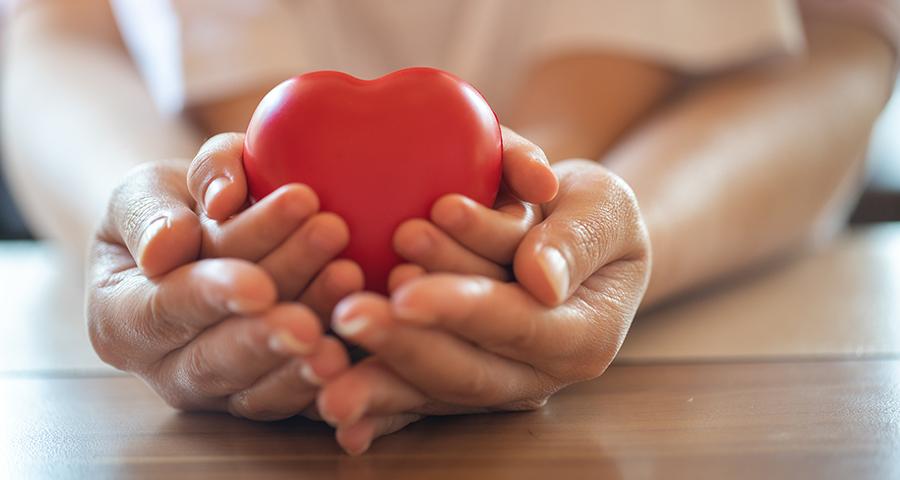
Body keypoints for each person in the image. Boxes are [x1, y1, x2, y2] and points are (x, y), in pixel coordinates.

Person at [3, 0, 897, 455]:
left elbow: (845, 33)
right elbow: (55, 29)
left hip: (736, 335)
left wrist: (608, 238)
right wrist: (168, 239)